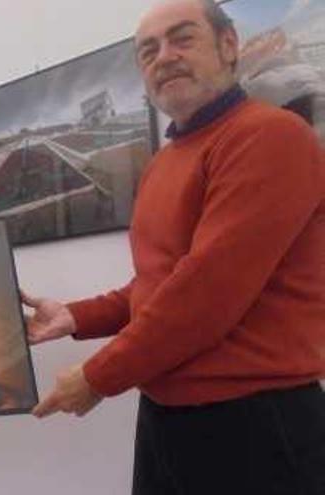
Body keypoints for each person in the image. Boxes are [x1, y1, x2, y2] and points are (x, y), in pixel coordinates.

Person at [22, 1, 325, 494]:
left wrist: (99, 376)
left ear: (229, 46)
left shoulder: (270, 136)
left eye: (182, 39)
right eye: (148, 51)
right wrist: (74, 317)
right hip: (168, 416)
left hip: (256, 423)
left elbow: (205, 293)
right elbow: (158, 285)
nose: (164, 57)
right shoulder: (166, 162)